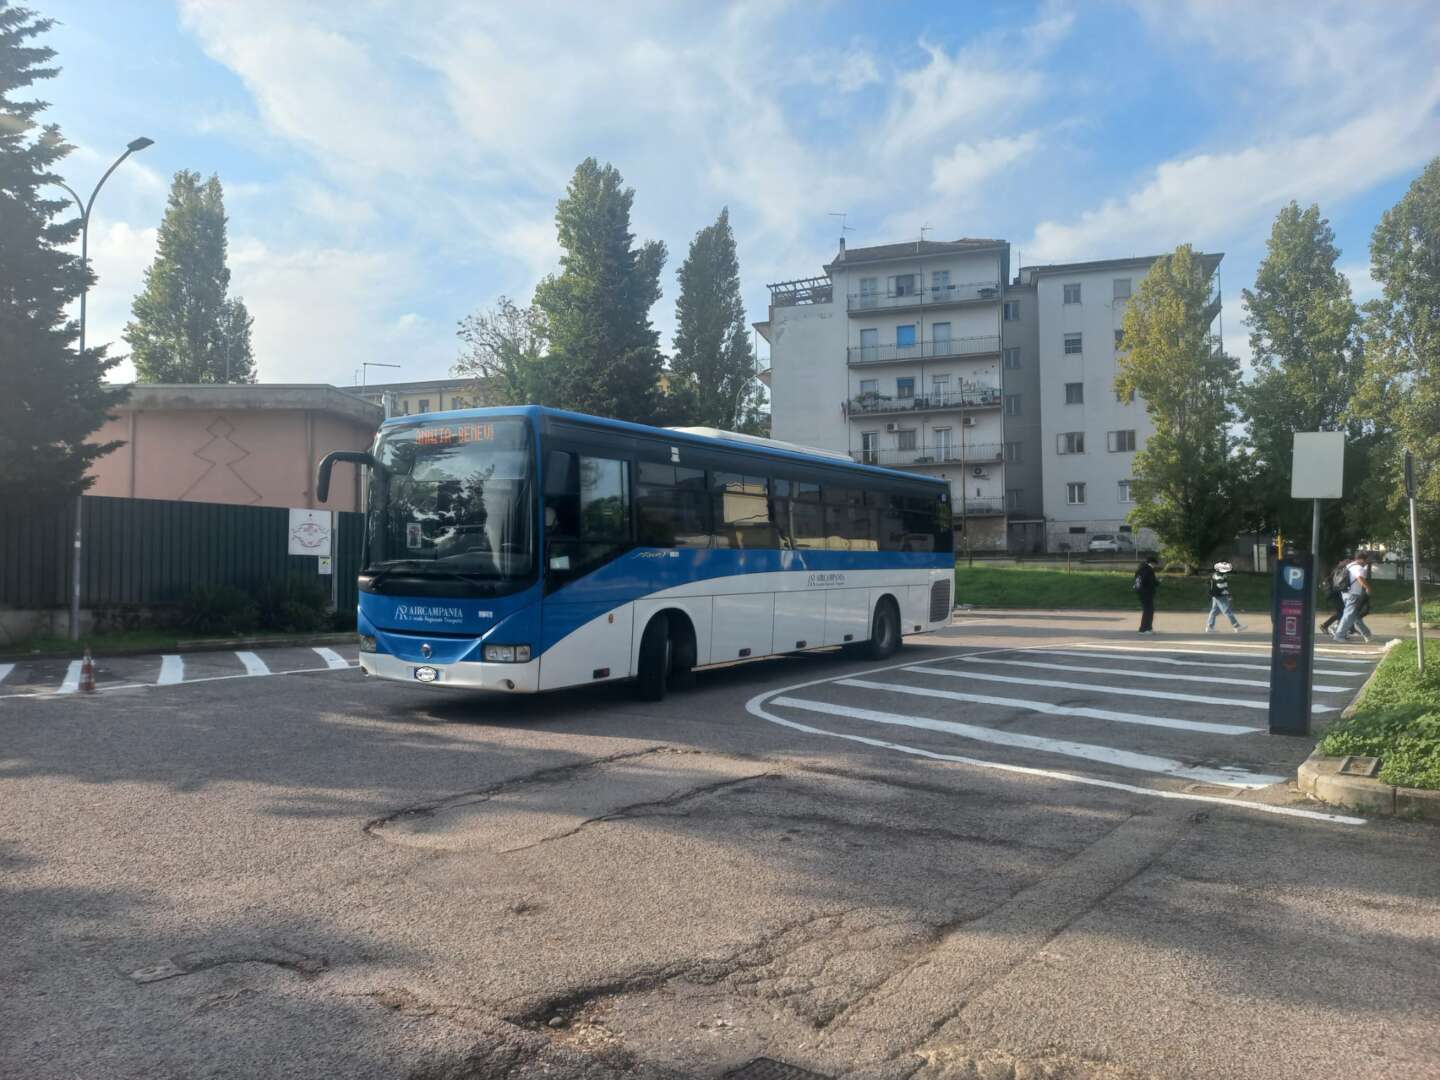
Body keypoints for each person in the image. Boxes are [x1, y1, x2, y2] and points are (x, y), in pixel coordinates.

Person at [1331, 552, 1371, 643]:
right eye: (1366, 560)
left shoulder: (1349, 566)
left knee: (1355, 615)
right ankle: (1339, 635)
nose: (1366, 562)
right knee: (1349, 615)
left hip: (1345, 592)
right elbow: (1360, 578)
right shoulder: (1358, 568)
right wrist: (1367, 588)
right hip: (1353, 594)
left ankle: (1367, 634)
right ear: (1361, 559)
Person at [1205, 561, 1246, 632]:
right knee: (1227, 611)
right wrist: (1227, 594)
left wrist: (1227, 593)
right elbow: (1221, 586)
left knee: (1214, 610)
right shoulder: (1219, 576)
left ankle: (1210, 626)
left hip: (1216, 595)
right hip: (1220, 595)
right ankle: (1236, 626)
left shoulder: (1215, 574)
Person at [1319, 556, 1348, 634]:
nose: (1347, 563)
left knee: (1341, 612)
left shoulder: (1337, 569)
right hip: (1334, 593)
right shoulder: (1337, 570)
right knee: (1341, 612)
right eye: (1346, 561)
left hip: (1334, 593)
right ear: (1340, 561)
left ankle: (1328, 626)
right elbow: (1338, 583)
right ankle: (1331, 627)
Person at [1134, 555, 1158, 633]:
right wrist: (1157, 582)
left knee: (1148, 610)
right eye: (1154, 564)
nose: (1154, 566)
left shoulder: (1140, 569)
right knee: (1148, 611)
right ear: (1152, 563)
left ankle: (1147, 628)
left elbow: (1138, 580)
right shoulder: (1148, 570)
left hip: (1141, 592)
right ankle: (1144, 629)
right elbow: (1148, 581)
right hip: (1146, 592)